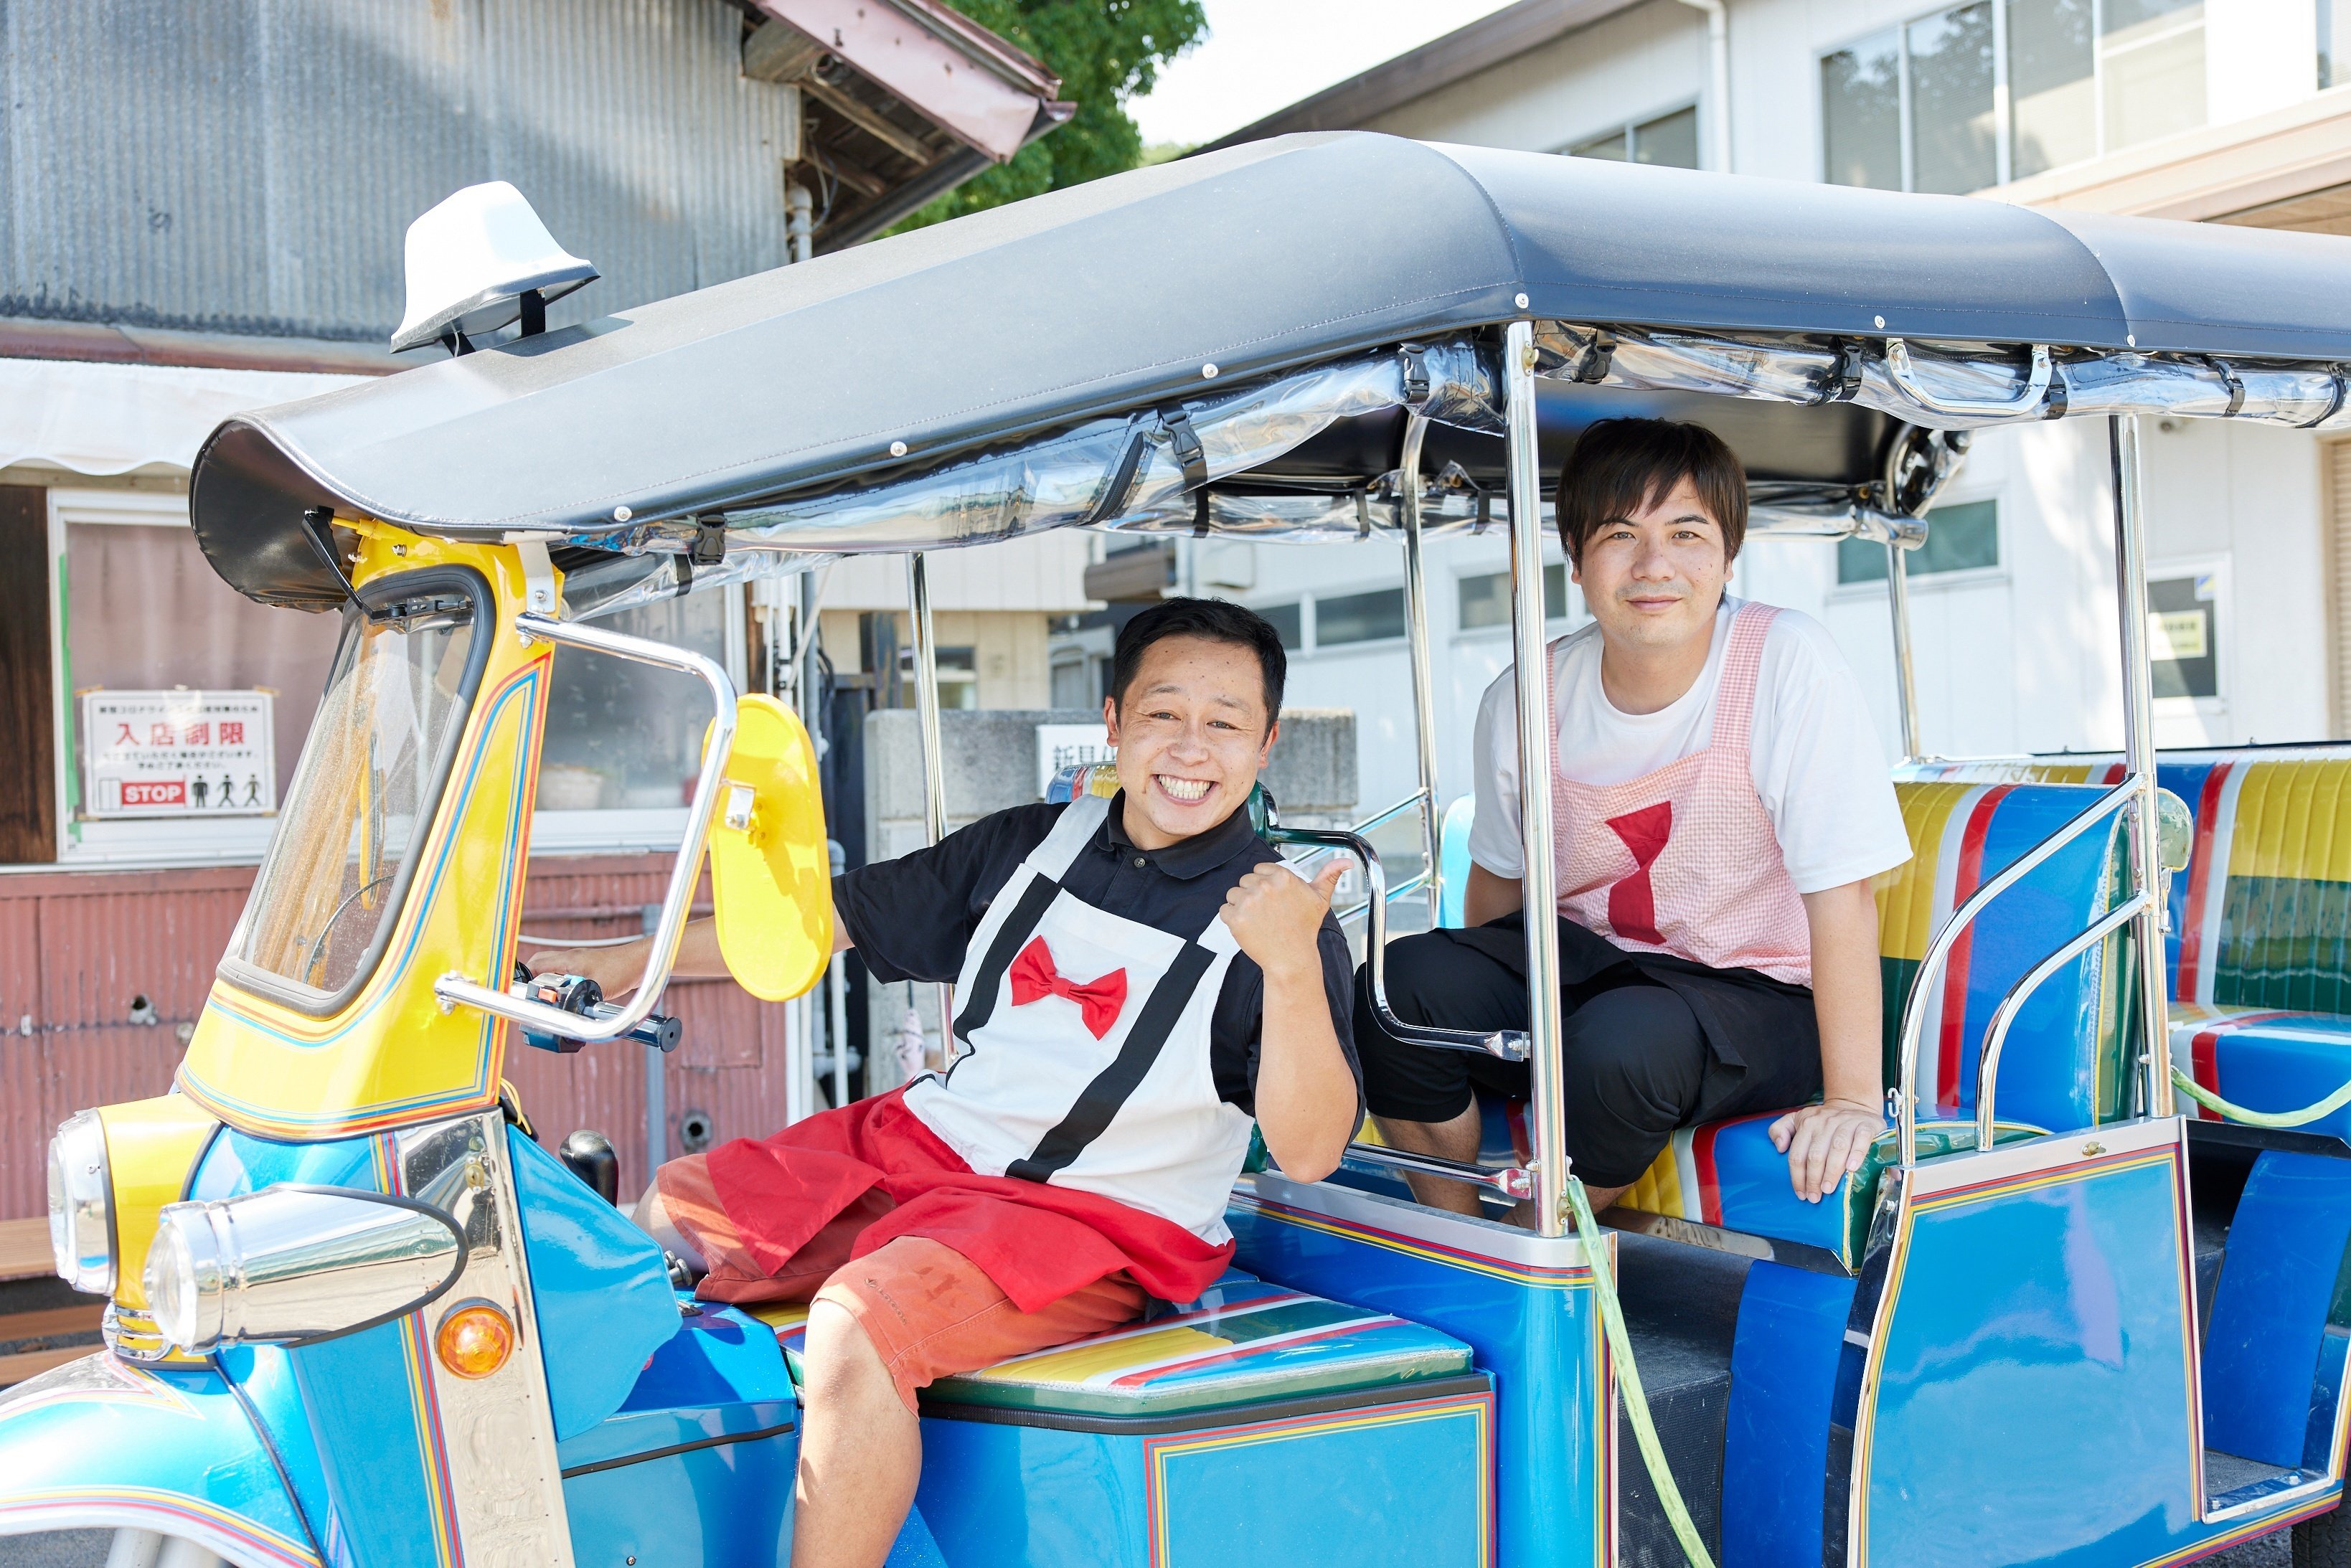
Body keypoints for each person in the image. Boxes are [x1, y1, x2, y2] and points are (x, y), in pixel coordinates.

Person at [531, 596, 1361, 1568]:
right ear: (1113, 722)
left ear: (1265, 746)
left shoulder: (1283, 919)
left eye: (1224, 722)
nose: (1190, 745)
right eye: (1163, 712)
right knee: (659, 1217)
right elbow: (815, 928)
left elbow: (1309, 1150)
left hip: (1097, 1216)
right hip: (925, 1143)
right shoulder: (1024, 844)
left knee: (857, 1318)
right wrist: (614, 962)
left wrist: (1294, 967)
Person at [1358, 417, 1911, 1221]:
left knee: (1622, 1039)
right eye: (1621, 534)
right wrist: (1489, 1012)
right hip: (1591, 975)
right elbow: (1498, 894)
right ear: (1576, 559)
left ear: (1728, 556)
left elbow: (1842, 896)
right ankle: (1456, 1227)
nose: (1655, 566)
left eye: (1687, 533)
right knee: (1397, 981)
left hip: (1752, 997)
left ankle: (1533, 1243)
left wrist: (1858, 1098)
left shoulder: (1786, 660)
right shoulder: (1525, 695)